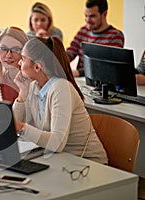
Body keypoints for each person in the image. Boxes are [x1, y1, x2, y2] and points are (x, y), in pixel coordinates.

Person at [13, 36, 108, 164]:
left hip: (86, 164)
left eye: (23, 59)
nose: (19, 63)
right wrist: (22, 93)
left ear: (37, 67)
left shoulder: (61, 88)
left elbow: (57, 143)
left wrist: (22, 128)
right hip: (60, 160)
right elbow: (14, 126)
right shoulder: (34, 86)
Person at [66, 0, 124, 77]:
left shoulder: (116, 35)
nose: (87, 20)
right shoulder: (83, 31)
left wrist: (79, 72)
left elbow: (108, 66)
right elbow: (70, 52)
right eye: (86, 16)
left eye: (92, 16)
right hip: (80, 80)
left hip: (100, 80)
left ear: (104, 14)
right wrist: (57, 63)